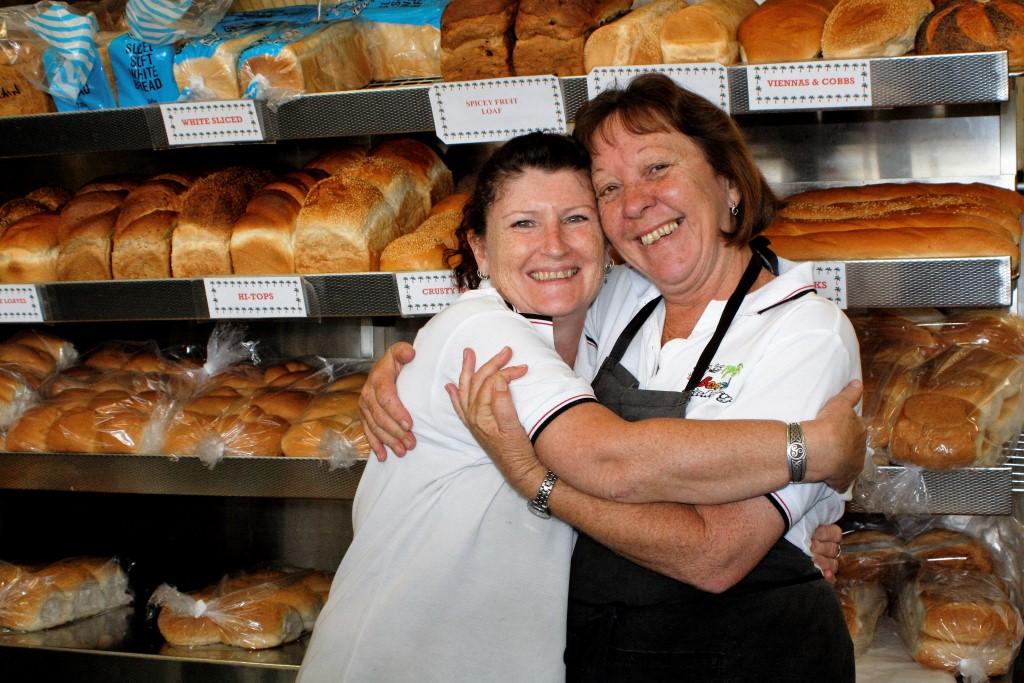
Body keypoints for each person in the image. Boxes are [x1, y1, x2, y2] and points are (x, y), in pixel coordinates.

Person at [357, 75, 865, 681]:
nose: (634, 204)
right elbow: (525, 305)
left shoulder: (803, 331)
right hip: (600, 648)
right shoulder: (617, 297)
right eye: (609, 188)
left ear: (729, 183)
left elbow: (715, 553)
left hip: (748, 654)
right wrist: (404, 363)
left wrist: (539, 482)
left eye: (657, 169)